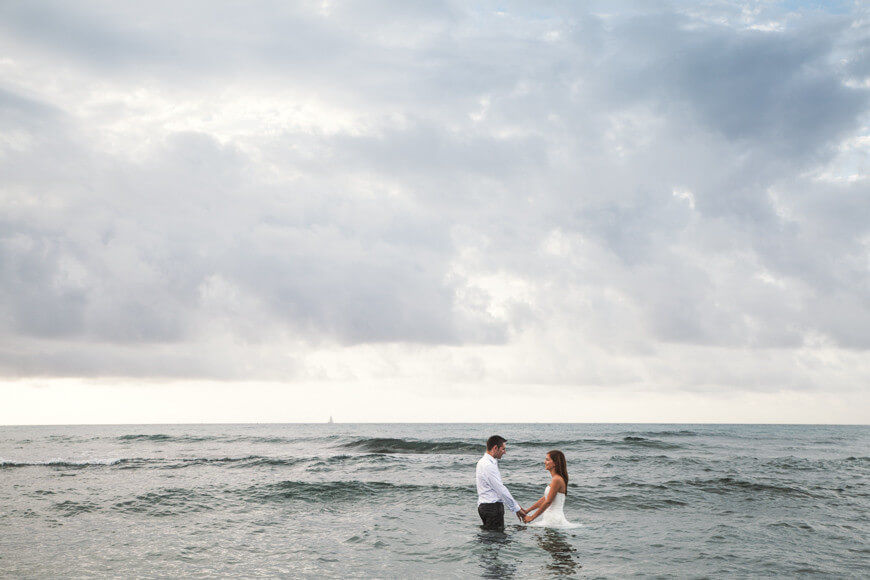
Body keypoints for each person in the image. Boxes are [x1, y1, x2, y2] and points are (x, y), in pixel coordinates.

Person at [476, 435, 526, 530]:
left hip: (485, 506)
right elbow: (500, 489)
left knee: (490, 539)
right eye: (503, 449)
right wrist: (516, 508)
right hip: (492, 508)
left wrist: (515, 505)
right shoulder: (488, 465)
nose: (505, 452)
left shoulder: (484, 462)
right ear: (495, 448)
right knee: (498, 540)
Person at [522, 450, 580, 528]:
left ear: (555, 463)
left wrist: (532, 518)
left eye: (547, 460)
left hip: (554, 520)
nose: (544, 462)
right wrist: (527, 511)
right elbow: (545, 499)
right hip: (550, 519)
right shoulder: (556, 479)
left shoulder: (557, 480)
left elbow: (548, 502)